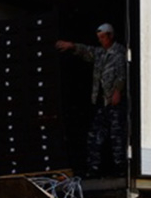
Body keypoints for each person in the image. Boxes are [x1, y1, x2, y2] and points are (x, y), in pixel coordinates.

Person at [55, 22, 128, 177]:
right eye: (99, 38)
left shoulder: (119, 52)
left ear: (110, 36)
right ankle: (93, 168)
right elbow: (87, 51)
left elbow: (123, 73)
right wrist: (72, 46)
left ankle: (121, 169)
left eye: (103, 37)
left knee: (117, 136)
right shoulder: (100, 53)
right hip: (102, 102)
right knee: (94, 136)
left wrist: (118, 91)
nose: (100, 40)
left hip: (114, 102)